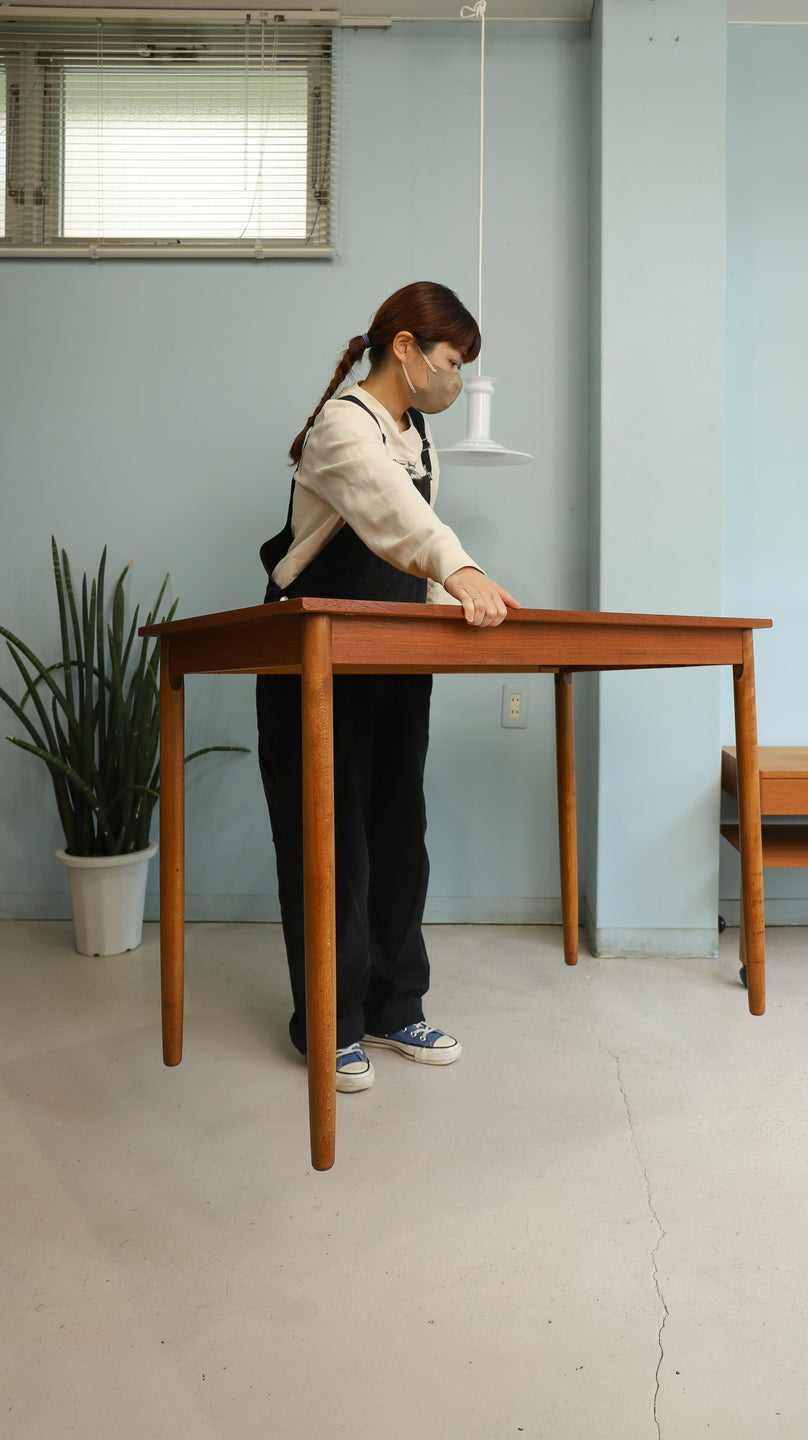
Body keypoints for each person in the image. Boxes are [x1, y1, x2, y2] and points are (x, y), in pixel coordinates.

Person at [256, 281, 519, 1092]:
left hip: (395, 655)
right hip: (318, 655)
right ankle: (329, 1026)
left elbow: (414, 562)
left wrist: (466, 600)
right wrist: (461, 566)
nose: (455, 382)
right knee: (329, 841)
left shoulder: (422, 437)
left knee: (401, 833)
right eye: (449, 363)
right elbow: (395, 520)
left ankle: (394, 1005)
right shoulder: (344, 426)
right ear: (404, 348)